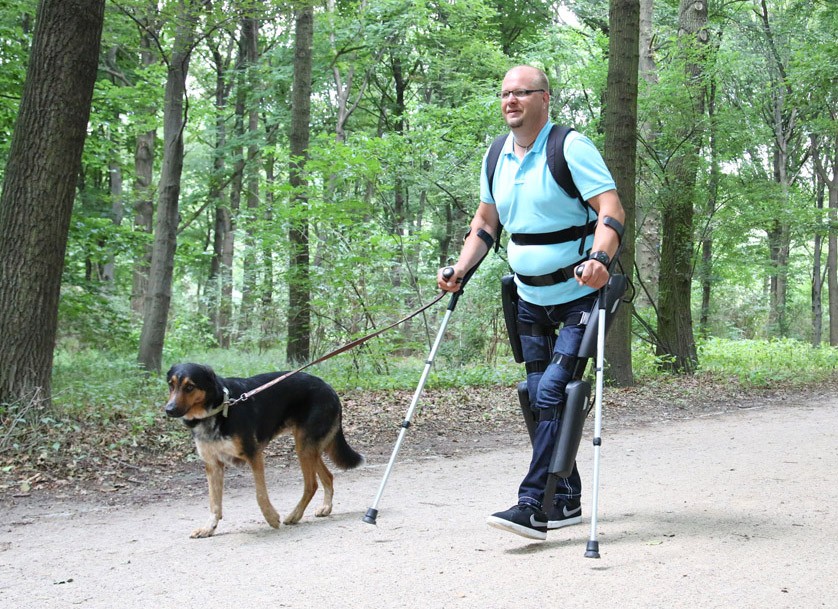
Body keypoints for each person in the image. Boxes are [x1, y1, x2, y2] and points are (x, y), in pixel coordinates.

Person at [437, 65, 625, 541]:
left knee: (553, 392)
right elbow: (486, 222)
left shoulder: (570, 147)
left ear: (544, 98)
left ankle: (533, 505)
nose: (511, 101)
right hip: (528, 298)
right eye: (505, 93)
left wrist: (601, 258)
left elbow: (611, 209)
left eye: (522, 92)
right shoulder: (496, 155)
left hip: (580, 295)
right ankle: (566, 498)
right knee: (536, 396)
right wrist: (460, 268)